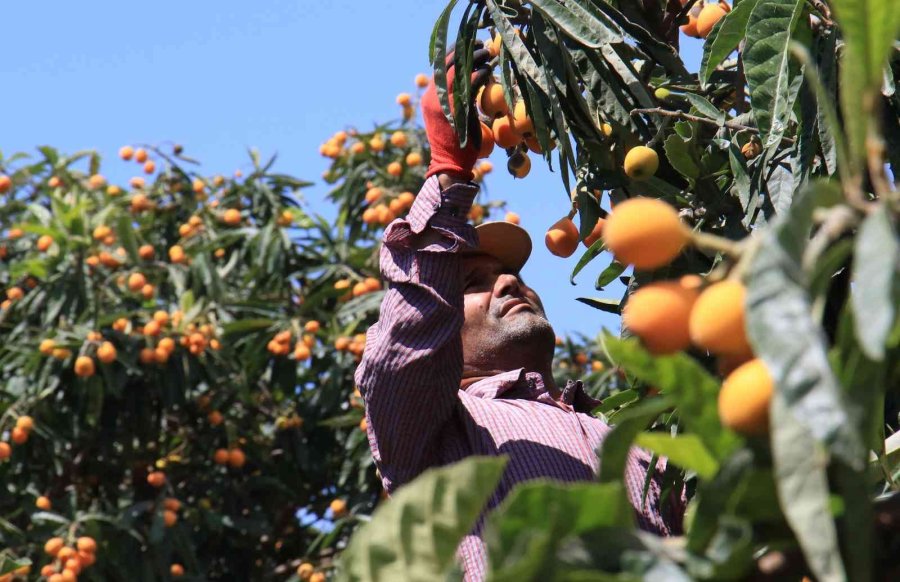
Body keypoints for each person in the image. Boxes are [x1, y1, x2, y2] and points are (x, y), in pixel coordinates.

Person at [354, 45, 684, 580]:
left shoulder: (640, 444)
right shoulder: (435, 434)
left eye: (512, 276)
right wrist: (447, 176)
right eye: (473, 283)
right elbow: (403, 356)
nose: (509, 280)